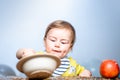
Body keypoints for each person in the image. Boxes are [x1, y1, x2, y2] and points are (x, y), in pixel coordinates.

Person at [16, 20, 92, 77]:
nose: (57, 44)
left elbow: (85, 71)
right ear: (44, 42)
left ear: (70, 47)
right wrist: (24, 52)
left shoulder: (72, 64)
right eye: (53, 40)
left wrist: (86, 73)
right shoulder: (38, 57)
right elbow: (18, 55)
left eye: (63, 42)